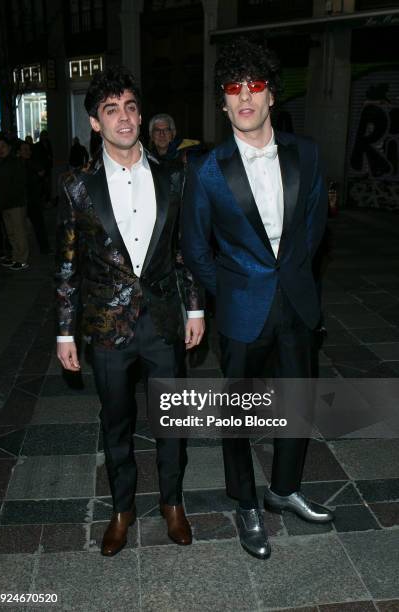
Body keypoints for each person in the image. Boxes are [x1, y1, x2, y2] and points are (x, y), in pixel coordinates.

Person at [181, 38, 333, 561]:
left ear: (271, 96)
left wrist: (288, 277)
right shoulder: (204, 169)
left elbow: (315, 230)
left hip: (297, 302)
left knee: (298, 403)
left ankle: (283, 489)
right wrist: (237, 288)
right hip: (243, 308)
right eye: (233, 89)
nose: (245, 97)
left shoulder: (307, 154)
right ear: (223, 104)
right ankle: (245, 502)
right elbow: (195, 248)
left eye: (255, 86)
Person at [55, 66, 205, 557]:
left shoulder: (173, 177)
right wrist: (64, 334)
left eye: (131, 107)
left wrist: (196, 309)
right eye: (111, 109)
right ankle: (122, 509)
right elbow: (68, 264)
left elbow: (185, 250)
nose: (125, 118)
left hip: (162, 320)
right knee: (115, 422)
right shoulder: (78, 186)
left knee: (172, 421)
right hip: (106, 327)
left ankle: (172, 503)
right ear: (95, 123)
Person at [0, 135, 29, 270]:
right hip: (5, 203)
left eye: (2, 146)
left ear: (9, 148)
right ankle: (16, 257)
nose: (0, 149)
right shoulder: (0, 162)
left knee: (19, 232)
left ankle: (23, 259)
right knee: (11, 233)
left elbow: (19, 184)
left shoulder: (15, 162)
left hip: (16, 203)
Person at [18, 140, 51, 254]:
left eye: (28, 149)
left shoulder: (33, 163)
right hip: (21, 200)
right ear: (19, 152)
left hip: (33, 200)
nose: (27, 152)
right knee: (19, 227)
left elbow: (42, 173)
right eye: (24, 149)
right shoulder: (18, 164)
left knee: (39, 225)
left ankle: (44, 248)